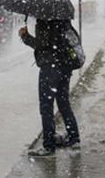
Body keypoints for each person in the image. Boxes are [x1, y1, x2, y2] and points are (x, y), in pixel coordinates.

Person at [19, 19, 81, 157]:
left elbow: (42, 45)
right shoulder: (64, 21)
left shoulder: (44, 21)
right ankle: (74, 138)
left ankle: (48, 146)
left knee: (46, 106)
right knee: (64, 103)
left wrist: (25, 37)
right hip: (65, 66)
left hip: (50, 68)